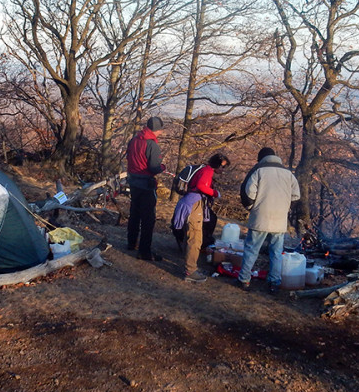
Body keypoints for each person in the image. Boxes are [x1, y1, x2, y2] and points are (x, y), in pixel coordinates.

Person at [237, 147, 301, 293]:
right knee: (276, 252)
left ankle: (244, 279)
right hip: (280, 220)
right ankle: (274, 282)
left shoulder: (259, 171)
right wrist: (286, 207)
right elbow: (296, 196)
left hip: (260, 217)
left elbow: (248, 193)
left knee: (252, 249)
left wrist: (252, 207)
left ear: (261, 158)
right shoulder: (288, 174)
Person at [171, 152, 229, 282]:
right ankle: (190, 271)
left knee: (189, 236)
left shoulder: (203, 169)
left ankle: (190, 266)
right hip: (194, 205)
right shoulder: (208, 172)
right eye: (222, 167)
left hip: (188, 202)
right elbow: (201, 186)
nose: (223, 170)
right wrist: (215, 193)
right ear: (217, 165)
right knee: (195, 239)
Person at [126, 116, 166, 261]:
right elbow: (154, 168)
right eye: (161, 130)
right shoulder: (152, 145)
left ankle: (131, 243)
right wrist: (163, 167)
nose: (161, 133)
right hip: (146, 185)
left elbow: (128, 157)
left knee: (134, 213)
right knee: (148, 218)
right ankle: (144, 251)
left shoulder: (134, 140)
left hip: (133, 182)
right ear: (157, 130)